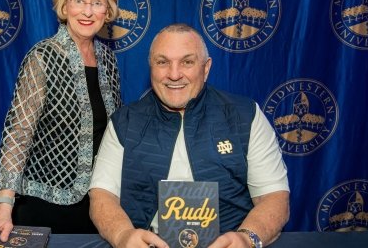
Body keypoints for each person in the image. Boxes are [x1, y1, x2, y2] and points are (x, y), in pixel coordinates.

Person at [89, 23, 290, 248]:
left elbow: (274, 198)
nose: (174, 75)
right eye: (163, 62)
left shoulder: (245, 116)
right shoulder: (125, 121)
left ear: (206, 68)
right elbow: (102, 196)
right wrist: (123, 235)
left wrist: (247, 237)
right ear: (151, 67)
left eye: (187, 62)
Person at [0, 0, 122, 246]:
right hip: (43, 208)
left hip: (96, 209)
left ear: (108, 10)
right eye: (79, 0)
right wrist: (4, 205)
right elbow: (17, 136)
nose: (88, 11)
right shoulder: (42, 57)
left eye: (97, 2)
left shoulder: (108, 60)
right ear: (64, 5)